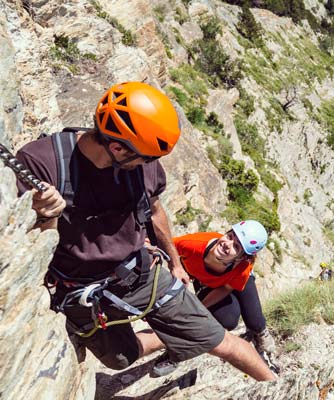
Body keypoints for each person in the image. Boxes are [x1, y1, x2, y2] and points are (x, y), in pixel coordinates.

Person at [15, 81, 276, 381]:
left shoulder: (140, 163)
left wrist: (176, 264)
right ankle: (163, 337)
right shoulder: (41, 165)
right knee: (119, 358)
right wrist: (48, 216)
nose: (152, 165)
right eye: (148, 158)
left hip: (140, 271)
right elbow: (26, 250)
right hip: (81, 288)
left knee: (223, 342)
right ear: (116, 147)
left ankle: (273, 384)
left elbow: (154, 210)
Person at [156, 220, 279, 373]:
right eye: (230, 236)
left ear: (242, 257)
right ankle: (178, 349)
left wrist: (200, 307)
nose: (227, 244)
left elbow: (227, 288)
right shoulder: (194, 245)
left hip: (234, 277)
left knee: (255, 321)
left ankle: (261, 338)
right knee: (227, 319)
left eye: (236, 246)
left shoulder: (243, 267)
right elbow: (163, 244)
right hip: (206, 281)